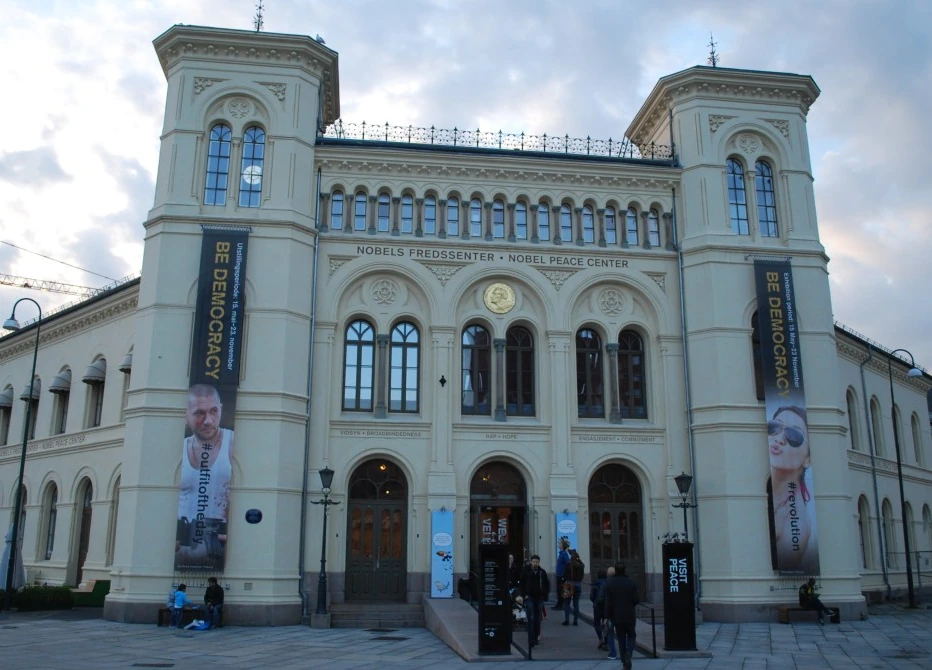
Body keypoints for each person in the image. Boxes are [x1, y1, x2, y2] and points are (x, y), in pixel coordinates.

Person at [175, 384, 234, 570]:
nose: (208, 420)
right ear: (185, 415)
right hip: (179, 549)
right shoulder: (177, 447)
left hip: (221, 549)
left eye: (214, 411)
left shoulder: (234, 443)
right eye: (199, 413)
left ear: (221, 409)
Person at [769, 406, 818, 574]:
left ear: (808, 459)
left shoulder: (797, 523)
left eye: (793, 435)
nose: (780, 438)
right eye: (775, 427)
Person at [604, 563, 639, 670]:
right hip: (629, 615)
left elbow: (608, 602)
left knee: (621, 638)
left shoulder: (610, 583)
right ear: (625, 570)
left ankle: (624, 661)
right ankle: (629, 652)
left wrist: (606, 616)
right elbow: (636, 600)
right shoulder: (631, 583)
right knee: (632, 636)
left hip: (617, 615)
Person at [519, 554, 550, 648]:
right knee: (531, 618)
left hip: (539, 598)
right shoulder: (526, 571)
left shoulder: (542, 572)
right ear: (531, 562)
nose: (535, 564)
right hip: (530, 598)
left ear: (539, 562)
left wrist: (544, 595)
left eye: (537, 562)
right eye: (534, 562)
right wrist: (524, 595)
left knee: (537, 619)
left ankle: (536, 637)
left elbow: (546, 584)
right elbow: (522, 583)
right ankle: (531, 639)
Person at [562, 549, 584, 626]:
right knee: (576, 603)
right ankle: (575, 621)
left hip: (568, 584)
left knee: (567, 603)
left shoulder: (569, 564)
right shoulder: (581, 565)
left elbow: (564, 575)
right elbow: (582, 576)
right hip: (578, 584)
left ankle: (567, 620)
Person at [554, 539, 570, 609]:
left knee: (561, 591)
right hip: (559, 575)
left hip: (562, 576)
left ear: (563, 545)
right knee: (559, 591)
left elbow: (567, 564)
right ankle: (558, 604)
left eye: (560, 543)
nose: (558, 544)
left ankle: (561, 605)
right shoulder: (561, 553)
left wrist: (565, 575)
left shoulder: (564, 554)